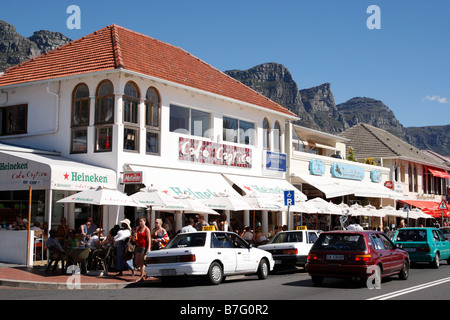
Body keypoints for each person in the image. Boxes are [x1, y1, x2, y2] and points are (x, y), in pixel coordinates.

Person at [134, 217, 151, 282]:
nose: (140, 223)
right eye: (139, 221)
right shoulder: (138, 228)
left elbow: (149, 239)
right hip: (138, 245)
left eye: (141, 221)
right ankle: (145, 272)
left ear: (145, 221)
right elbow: (136, 238)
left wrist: (149, 248)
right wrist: (134, 237)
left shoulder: (147, 229)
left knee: (141, 262)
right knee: (136, 262)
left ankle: (141, 276)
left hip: (144, 246)